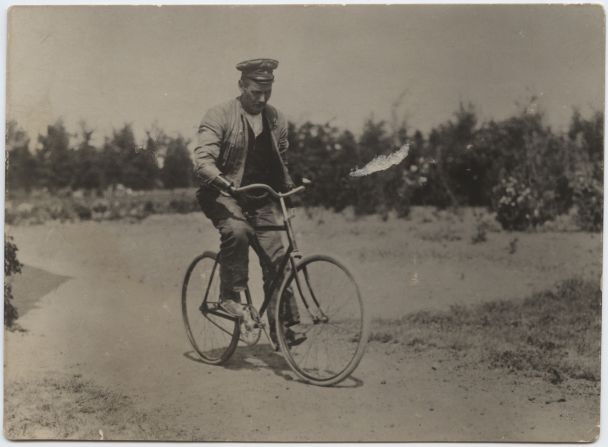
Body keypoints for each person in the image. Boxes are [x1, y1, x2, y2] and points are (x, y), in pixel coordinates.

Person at [193, 58, 305, 347]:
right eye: (255, 91)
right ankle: (230, 298)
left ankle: (283, 326)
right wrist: (225, 184)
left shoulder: (277, 119)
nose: (262, 98)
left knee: (278, 261)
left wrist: (288, 193)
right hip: (223, 194)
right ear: (241, 85)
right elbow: (202, 161)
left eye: (267, 91)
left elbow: (280, 160)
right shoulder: (219, 115)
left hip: (261, 197)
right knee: (238, 232)